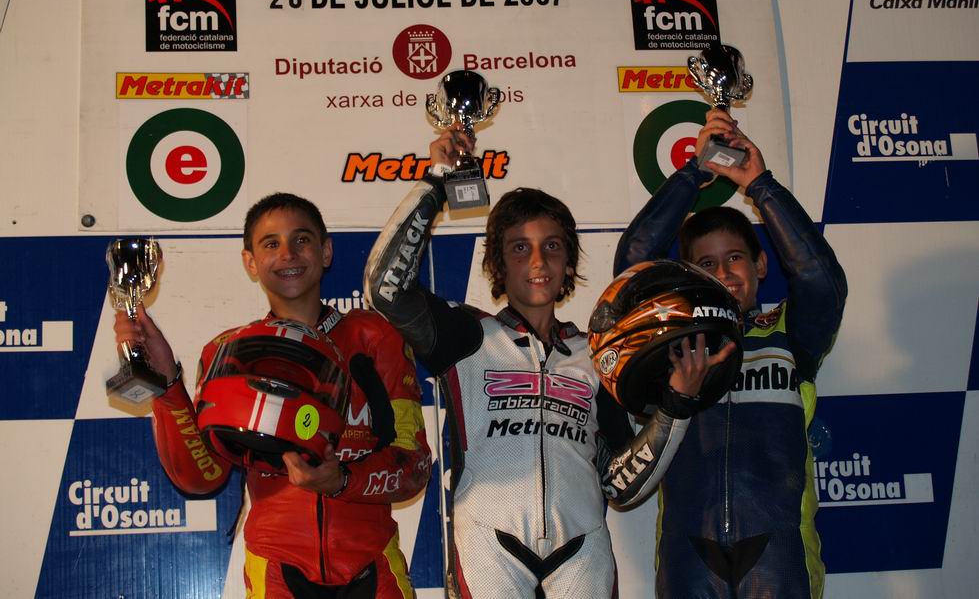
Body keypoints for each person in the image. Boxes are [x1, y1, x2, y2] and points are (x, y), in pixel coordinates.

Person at [363, 126, 735, 598]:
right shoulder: (466, 335)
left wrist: (676, 407)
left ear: (569, 262)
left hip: (582, 548)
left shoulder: (598, 355)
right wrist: (436, 180)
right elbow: (385, 288)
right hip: (487, 542)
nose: (538, 261)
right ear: (499, 265)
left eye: (552, 246)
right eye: (520, 247)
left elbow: (620, 486)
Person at [113, 193, 432, 599]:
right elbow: (202, 477)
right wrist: (166, 384)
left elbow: (413, 466)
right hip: (276, 573)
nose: (288, 254)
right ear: (250, 262)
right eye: (271, 244)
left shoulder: (374, 336)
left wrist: (342, 480)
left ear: (326, 251)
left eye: (302, 239)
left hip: (374, 567)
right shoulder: (228, 352)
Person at [615, 109, 848, 598]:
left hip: (781, 554)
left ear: (761, 264)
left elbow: (821, 281)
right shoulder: (671, 344)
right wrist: (694, 173)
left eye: (735, 258)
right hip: (687, 557)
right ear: (688, 272)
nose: (723, 273)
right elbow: (633, 266)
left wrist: (760, 185)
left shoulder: (790, 335)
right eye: (706, 263)